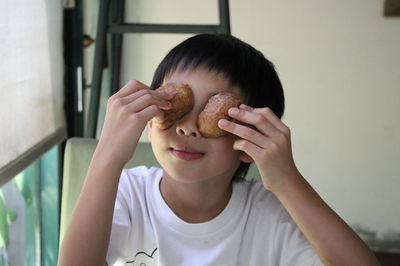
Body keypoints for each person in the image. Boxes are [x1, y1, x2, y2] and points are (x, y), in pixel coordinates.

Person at [58, 34, 380, 266]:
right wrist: (108, 155)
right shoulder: (127, 193)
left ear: (250, 137)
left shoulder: (270, 214)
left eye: (217, 112)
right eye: (174, 104)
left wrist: (286, 180)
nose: (188, 127)